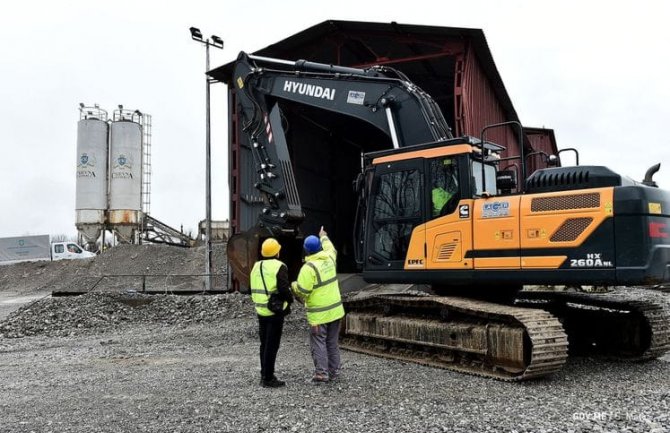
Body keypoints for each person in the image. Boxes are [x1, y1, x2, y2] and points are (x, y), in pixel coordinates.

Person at [291, 226, 345, 383]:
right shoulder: (329, 257)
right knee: (332, 343)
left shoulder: (308, 268)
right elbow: (330, 248)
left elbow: (302, 291)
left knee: (318, 342)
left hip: (319, 315)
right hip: (335, 311)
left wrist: (293, 285)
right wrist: (323, 236)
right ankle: (334, 372)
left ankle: (321, 374)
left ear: (306, 251)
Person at [249, 237, 293, 388]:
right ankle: (268, 378)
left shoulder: (256, 266)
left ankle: (264, 374)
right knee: (272, 345)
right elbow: (283, 288)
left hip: (261, 310)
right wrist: (290, 299)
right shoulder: (280, 266)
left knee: (264, 344)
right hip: (274, 311)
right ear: (277, 252)